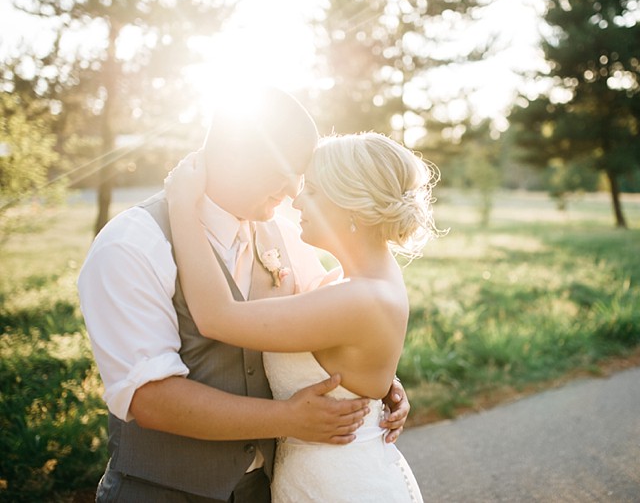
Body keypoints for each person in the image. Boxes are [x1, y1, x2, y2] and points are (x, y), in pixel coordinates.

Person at [78, 87, 410, 502]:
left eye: (301, 176)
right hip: (163, 491)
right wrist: (288, 419)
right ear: (235, 155)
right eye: (285, 171)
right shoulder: (130, 245)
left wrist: (375, 380)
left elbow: (336, 330)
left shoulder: (288, 236)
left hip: (268, 489)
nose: (293, 192)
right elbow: (151, 399)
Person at [164, 131, 441, 502]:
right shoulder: (363, 282)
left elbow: (216, 317)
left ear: (352, 206)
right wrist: (377, 382)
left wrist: (182, 204)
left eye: (312, 191)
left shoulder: (359, 297)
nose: (296, 202)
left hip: (342, 489)